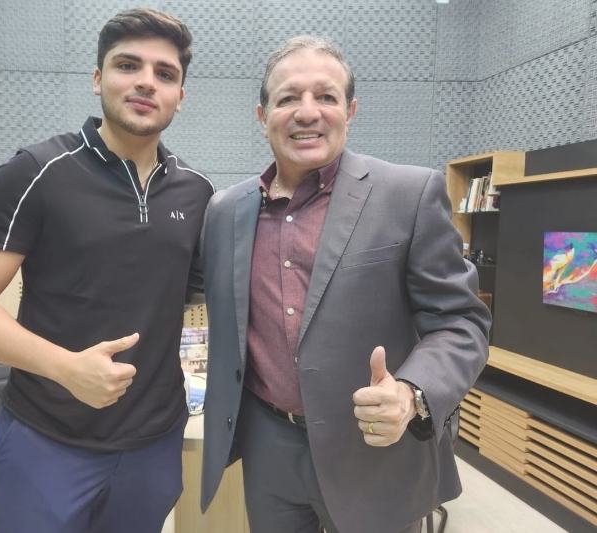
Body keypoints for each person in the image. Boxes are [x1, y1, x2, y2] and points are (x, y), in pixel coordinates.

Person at [199, 36, 491, 533]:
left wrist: (411, 391)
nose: (306, 112)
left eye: (326, 97)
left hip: (374, 449)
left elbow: (460, 322)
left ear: (350, 110)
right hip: (268, 446)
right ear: (262, 113)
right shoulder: (225, 210)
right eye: (288, 98)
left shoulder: (408, 193)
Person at [0, 8, 214, 533]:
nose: (145, 82)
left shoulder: (197, 192)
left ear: (181, 94)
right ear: (97, 79)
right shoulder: (37, 172)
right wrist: (66, 368)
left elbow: (191, 300)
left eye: (165, 74)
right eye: (127, 65)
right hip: (47, 439)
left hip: (152, 444)